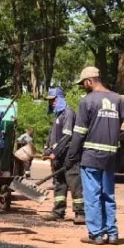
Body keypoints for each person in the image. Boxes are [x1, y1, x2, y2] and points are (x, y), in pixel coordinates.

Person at [65, 67, 124, 245]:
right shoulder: (118, 99)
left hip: (91, 156)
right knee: (108, 194)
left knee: (92, 196)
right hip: (110, 156)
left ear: (89, 81)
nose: (83, 87)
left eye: (83, 83)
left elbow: (79, 132)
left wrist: (71, 157)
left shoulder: (87, 101)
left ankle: (96, 235)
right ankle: (113, 234)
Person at [42, 88, 84, 224]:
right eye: (50, 100)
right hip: (59, 157)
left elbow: (67, 136)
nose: (52, 102)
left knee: (74, 184)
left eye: (53, 100)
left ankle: (80, 213)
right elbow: (53, 137)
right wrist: (48, 151)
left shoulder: (68, 113)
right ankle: (58, 212)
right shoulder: (57, 116)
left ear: (59, 99)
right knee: (60, 184)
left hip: (69, 156)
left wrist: (55, 152)